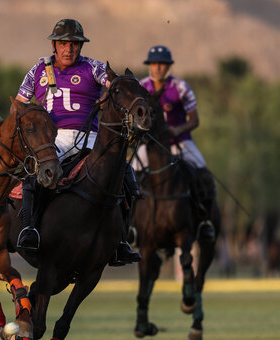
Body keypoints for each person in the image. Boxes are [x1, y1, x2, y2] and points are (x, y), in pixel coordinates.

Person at [14, 18, 141, 265]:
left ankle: (122, 241)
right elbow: (19, 106)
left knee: (125, 174)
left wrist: (111, 96)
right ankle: (29, 230)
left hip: (92, 139)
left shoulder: (93, 67)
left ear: (80, 47)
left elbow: (116, 86)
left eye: (74, 44)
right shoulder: (38, 70)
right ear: (55, 45)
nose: (69, 49)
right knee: (34, 176)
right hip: (54, 140)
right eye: (64, 43)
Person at [136, 45, 215, 241]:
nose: (157, 68)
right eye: (154, 64)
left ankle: (204, 221)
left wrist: (176, 130)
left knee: (203, 173)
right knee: (130, 175)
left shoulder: (181, 87)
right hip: (152, 146)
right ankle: (130, 225)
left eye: (162, 64)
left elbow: (194, 120)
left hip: (179, 142)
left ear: (168, 66)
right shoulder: (141, 87)